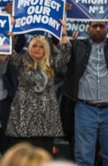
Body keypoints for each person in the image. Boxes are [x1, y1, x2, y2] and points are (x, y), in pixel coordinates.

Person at [5, 24, 71, 154]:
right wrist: (12, 31)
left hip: (46, 121)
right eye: (34, 45)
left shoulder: (52, 64)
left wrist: (63, 34)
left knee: (44, 158)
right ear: (29, 47)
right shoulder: (20, 62)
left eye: (41, 46)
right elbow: (8, 50)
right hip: (23, 121)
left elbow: (66, 54)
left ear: (46, 49)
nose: (37, 49)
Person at [61, 21, 108, 166]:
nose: (98, 29)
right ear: (88, 29)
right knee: (83, 156)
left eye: (102, 26)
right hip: (85, 108)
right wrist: (62, 32)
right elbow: (60, 52)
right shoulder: (77, 46)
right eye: (94, 26)